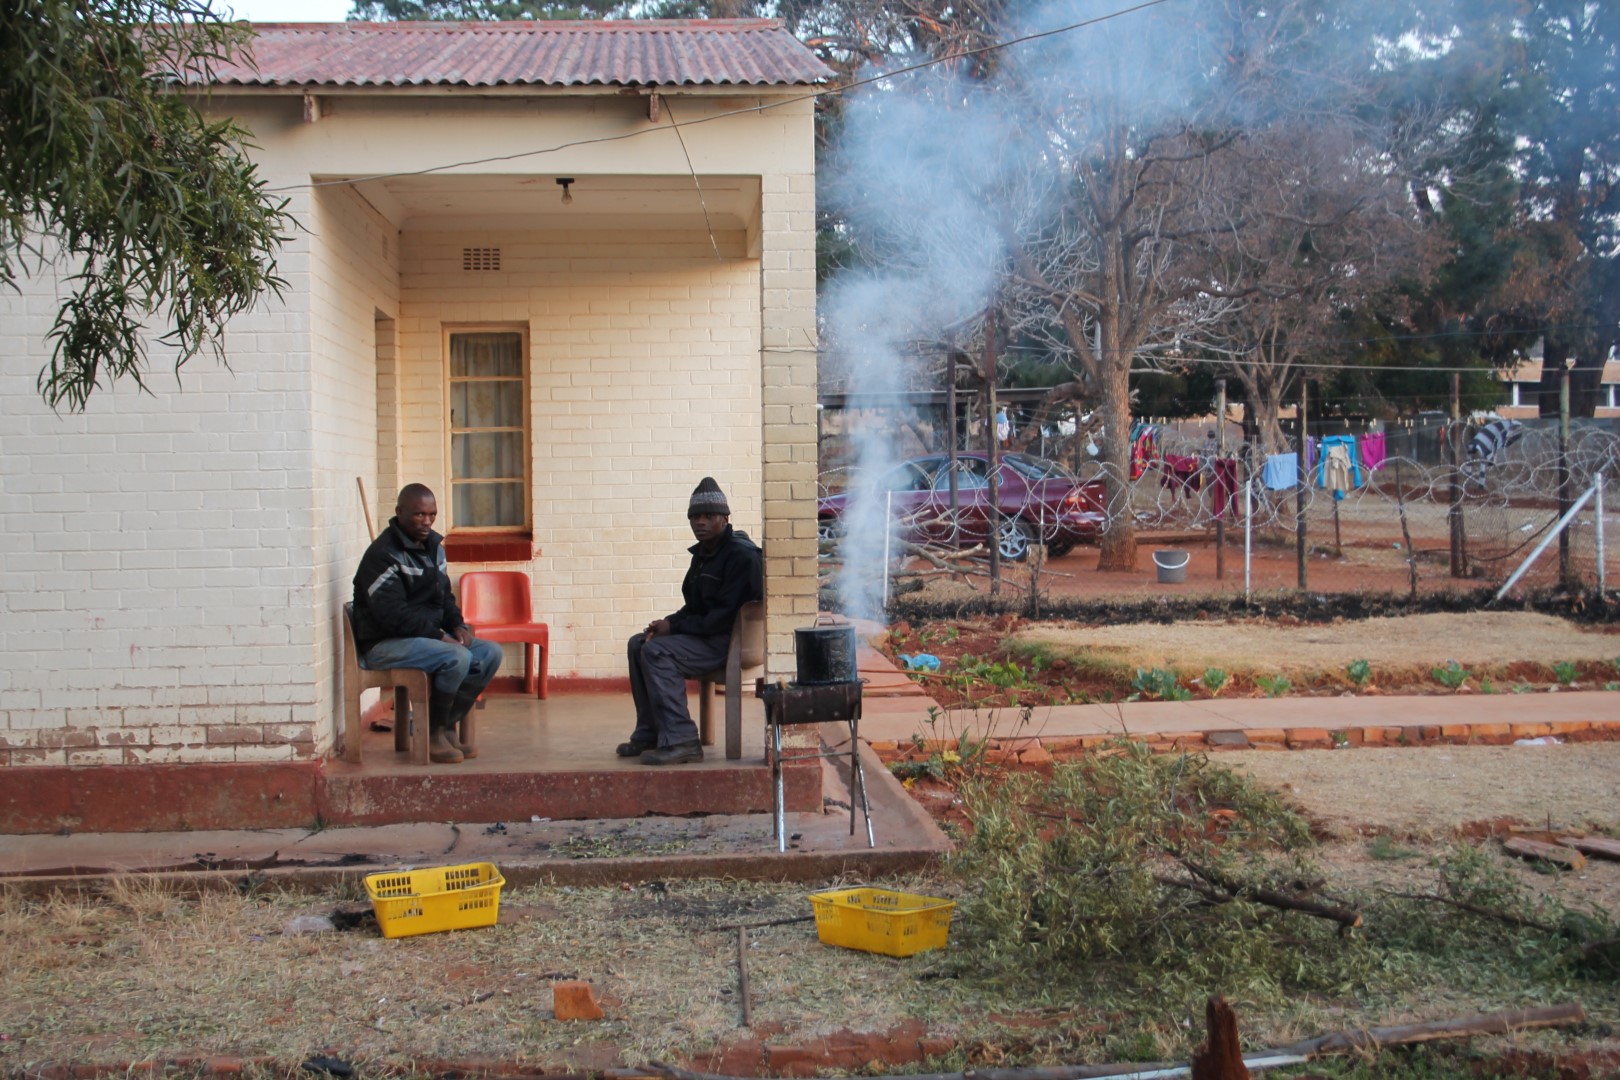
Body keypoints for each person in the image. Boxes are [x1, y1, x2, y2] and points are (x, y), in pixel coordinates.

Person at [351, 484, 502, 765]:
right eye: (419, 515)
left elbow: (444, 596)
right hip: (384, 643)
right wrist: (437, 636)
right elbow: (391, 615)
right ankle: (431, 735)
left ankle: (446, 727)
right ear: (400, 513)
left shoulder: (434, 548)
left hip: (424, 638)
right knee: (455, 656)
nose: (427, 522)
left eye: (432, 515)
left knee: (490, 652)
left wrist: (456, 626)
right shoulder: (382, 555)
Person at [620, 477, 762, 765]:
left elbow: (722, 616)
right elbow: (696, 607)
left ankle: (683, 740)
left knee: (656, 651)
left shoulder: (740, 556)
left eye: (709, 516)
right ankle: (652, 732)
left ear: (725, 518)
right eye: (695, 517)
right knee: (639, 643)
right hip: (708, 636)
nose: (701, 523)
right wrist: (667, 623)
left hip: (731, 642)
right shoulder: (704, 554)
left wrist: (675, 629)